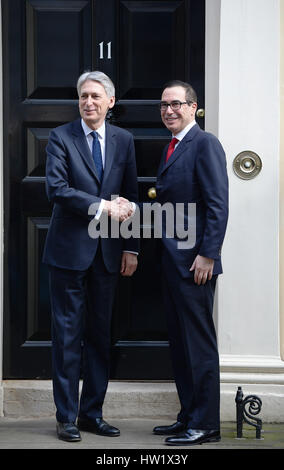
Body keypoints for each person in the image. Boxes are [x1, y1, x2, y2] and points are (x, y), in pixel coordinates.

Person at [42, 71, 139, 442]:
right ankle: (66, 416)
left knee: (100, 337)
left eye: (96, 96)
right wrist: (101, 206)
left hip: (109, 255)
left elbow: (129, 194)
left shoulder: (124, 140)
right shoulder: (60, 138)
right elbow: (57, 190)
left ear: (110, 102)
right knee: (66, 338)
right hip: (68, 255)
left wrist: (131, 246)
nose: (89, 102)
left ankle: (91, 414)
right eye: (84, 96)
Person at [153, 80, 228, 446]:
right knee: (181, 345)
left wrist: (208, 255)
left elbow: (217, 204)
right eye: (164, 105)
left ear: (194, 107)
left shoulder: (205, 143)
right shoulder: (170, 148)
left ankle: (206, 424)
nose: (169, 110)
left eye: (177, 104)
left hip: (196, 262)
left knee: (198, 345)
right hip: (172, 261)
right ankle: (188, 417)